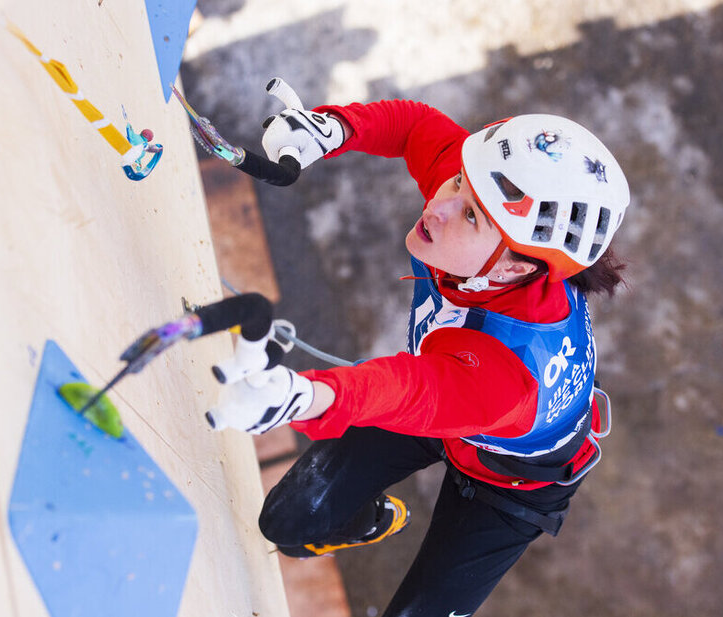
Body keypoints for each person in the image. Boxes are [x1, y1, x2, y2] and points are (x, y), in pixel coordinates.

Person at [207, 84, 630, 617]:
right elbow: (413, 128)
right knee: (289, 526)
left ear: (516, 269)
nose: (439, 204)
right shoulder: (489, 204)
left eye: (470, 215)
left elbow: (414, 391)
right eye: (456, 181)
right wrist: (335, 127)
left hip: (510, 487)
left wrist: (304, 396)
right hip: (448, 397)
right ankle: (374, 520)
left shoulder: (510, 377)